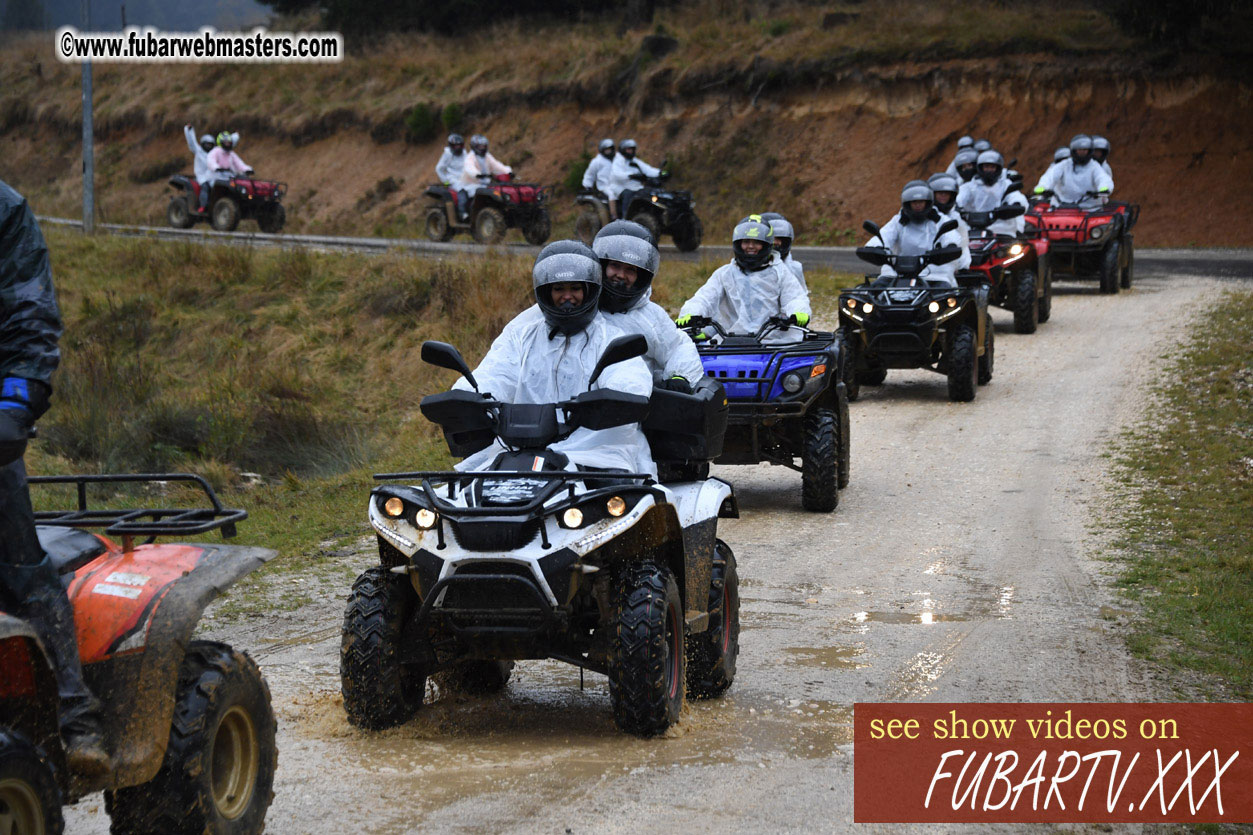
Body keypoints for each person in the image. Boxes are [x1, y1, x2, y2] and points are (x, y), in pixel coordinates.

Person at [0, 180, 109, 775]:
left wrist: (15, 403)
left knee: (20, 568)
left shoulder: (4, 210)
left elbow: (28, 312)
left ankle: (76, 719)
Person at [452, 241, 656, 476]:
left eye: (575, 288)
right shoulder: (521, 336)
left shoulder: (610, 338)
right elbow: (495, 373)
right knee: (470, 490)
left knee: (616, 496)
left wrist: (617, 397)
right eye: (559, 288)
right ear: (546, 292)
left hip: (594, 449)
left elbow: (628, 375)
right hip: (520, 448)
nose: (567, 297)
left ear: (589, 290)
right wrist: (466, 397)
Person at [592, 220, 704, 392]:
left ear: (642, 276)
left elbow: (677, 347)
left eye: (630, 270)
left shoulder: (650, 315)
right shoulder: (583, 307)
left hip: (635, 406)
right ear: (602, 265)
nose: (621, 275)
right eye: (615, 265)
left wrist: (680, 377)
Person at [676, 217, 810, 342]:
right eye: (746, 242)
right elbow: (704, 298)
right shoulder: (725, 273)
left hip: (771, 341)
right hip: (729, 340)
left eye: (756, 242)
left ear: (766, 244)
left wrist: (798, 312)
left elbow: (794, 298)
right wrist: (691, 313)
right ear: (738, 244)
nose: (751, 246)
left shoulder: (780, 272)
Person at [864, 180, 964, 287]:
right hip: (898, 271)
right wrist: (876, 246)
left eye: (921, 202)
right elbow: (885, 235)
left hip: (934, 272)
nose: (917, 205)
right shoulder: (898, 221)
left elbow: (951, 235)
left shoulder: (940, 220)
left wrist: (951, 245)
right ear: (907, 203)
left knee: (943, 294)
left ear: (928, 202)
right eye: (914, 202)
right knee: (876, 289)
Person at [956, 150, 1029, 237]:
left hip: (1002, 229)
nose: (989, 170)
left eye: (992, 167)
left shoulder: (1005, 184)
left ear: (998, 169)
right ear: (980, 168)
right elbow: (958, 199)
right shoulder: (969, 187)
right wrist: (956, 207)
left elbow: (1015, 196)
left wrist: (1016, 204)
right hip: (973, 229)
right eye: (986, 167)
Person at [1033, 134, 1113, 209]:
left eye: (1085, 150)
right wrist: (1042, 187)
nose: (1082, 152)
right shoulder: (1064, 165)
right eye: (1079, 150)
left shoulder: (1094, 167)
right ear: (1074, 151)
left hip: (1089, 209)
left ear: (1090, 151)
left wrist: (1104, 188)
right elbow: (1049, 177)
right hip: (1060, 207)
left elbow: (1102, 178)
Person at [457, 134, 512, 222]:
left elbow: (497, 165)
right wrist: (477, 174)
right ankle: (466, 215)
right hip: (470, 184)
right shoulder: (470, 157)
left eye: (484, 146)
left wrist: (508, 172)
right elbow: (469, 167)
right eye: (480, 146)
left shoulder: (487, 156)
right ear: (474, 146)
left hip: (485, 184)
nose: (482, 148)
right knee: (465, 199)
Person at [608, 139, 661, 221]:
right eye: (629, 149)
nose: (631, 151)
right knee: (628, 194)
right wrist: (630, 175)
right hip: (619, 187)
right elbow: (616, 174)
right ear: (623, 149)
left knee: (648, 192)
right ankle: (625, 218)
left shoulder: (634, 161)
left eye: (632, 149)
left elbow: (647, 169)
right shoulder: (618, 160)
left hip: (634, 186)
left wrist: (660, 173)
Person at [928, 172, 971, 272]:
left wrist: (964, 266)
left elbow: (963, 244)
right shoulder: (920, 214)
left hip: (945, 267)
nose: (943, 195)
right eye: (939, 192)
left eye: (946, 193)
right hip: (918, 265)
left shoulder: (955, 217)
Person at [758, 212, 806, 292]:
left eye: (780, 238)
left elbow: (801, 297)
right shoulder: (738, 270)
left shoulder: (795, 268)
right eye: (773, 238)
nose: (777, 243)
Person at [183, 125, 216, 213]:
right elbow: (191, 142)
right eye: (207, 144)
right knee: (205, 187)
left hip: (212, 176)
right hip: (201, 176)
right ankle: (203, 206)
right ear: (203, 144)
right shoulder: (198, 151)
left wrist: (236, 136)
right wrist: (189, 130)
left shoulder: (214, 153)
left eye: (210, 144)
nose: (209, 146)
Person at [581, 139, 616, 215]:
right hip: (604, 186)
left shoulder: (617, 159)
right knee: (612, 194)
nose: (609, 152)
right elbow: (589, 174)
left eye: (610, 149)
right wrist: (587, 186)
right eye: (607, 150)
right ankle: (614, 216)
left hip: (617, 184)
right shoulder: (597, 161)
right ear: (602, 150)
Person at [434, 133, 466, 199]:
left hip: (465, 179)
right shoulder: (448, 154)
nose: (458, 147)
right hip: (454, 180)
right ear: (451, 146)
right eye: (456, 146)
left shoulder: (464, 153)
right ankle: (462, 209)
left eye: (459, 145)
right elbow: (439, 169)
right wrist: (446, 182)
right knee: (463, 194)